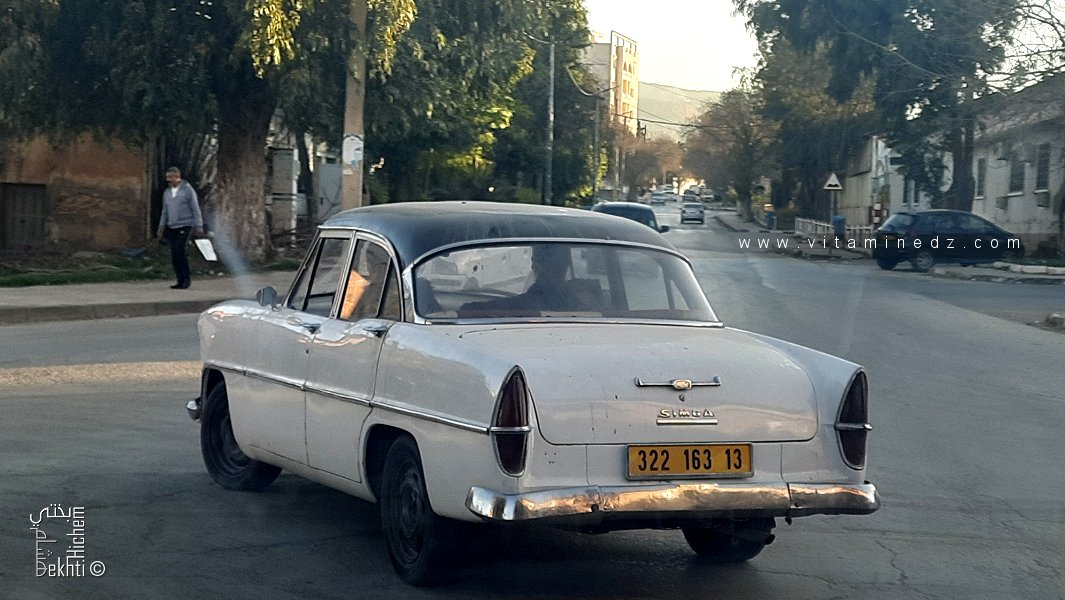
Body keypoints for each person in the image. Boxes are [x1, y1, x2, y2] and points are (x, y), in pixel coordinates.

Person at [156, 167, 203, 289]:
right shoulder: (167, 193)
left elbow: (195, 208)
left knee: (179, 250)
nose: (168, 180)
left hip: (186, 224)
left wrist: (199, 225)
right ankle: (179, 280)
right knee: (174, 254)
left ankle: (186, 279)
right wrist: (161, 226)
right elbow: (165, 211)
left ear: (177, 177)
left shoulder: (188, 191)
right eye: (167, 178)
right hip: (172, 226)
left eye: (170, 177)